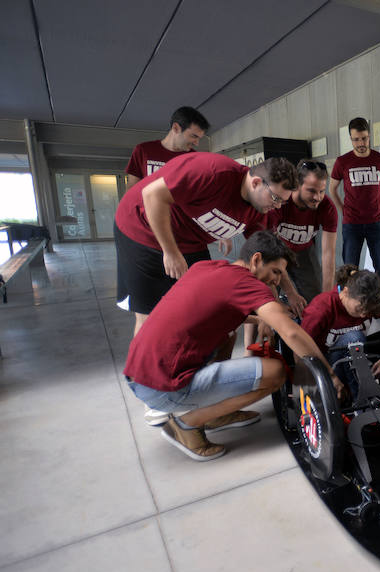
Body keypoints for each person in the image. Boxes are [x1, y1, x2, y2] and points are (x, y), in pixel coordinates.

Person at [123, 231, 342, 461]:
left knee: (227, 335)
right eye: (275, 272)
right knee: (276, 373)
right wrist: (329, 375)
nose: (277, 281)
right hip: (164, 388)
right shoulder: (248, 284)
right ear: (256, 260)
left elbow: (212, 310)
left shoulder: (207, 267)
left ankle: (216, 414)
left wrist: (261, 319)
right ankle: (185, 426)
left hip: (140, 374)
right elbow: (291, 332)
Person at [115, 152, 298, 425]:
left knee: (217, 314)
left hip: (188, 242)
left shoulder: (258, 208)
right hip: (143, 230)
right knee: (149, 312)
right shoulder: (212, 172)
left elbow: (268, 255)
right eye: (276, 199)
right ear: (257, 182)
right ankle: (155, 394)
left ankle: (210, 396)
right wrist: (170, 251)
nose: (278, 206)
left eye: (283, 201)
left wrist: (287, 295)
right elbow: (152, 194)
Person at [241, 160, 339, 351]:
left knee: (316, 300)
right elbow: (271, 256)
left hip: (303, 252)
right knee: (261, 297)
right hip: (271, 253)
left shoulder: (327, 207)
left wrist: (326, 298)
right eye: (311, 190)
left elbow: (328, 254)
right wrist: (291, 293)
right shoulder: (278, 204)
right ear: (297, 186)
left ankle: (309, 345)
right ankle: (250, 348)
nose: (317, 197)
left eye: (321, 191)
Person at [300, 265, 380, 398]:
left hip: (359, 361)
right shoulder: (321, 308)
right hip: (326, 365)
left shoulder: (371, 300)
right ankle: (363, 401)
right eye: (359, 309)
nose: (364, 315)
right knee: (354, 337)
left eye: (368, 309)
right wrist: (328, 378)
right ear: (345, 292)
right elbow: (299, 347)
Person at [329, 117, 380, 289]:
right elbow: (332, 188)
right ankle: (348, 305)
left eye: (364, 138)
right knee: (349, 269)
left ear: (369, 136)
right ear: (351, 139)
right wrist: (343, 210)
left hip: (376, 223)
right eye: (356, 139)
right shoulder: (342, 162)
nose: (360, 143)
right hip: (352, 224)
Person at [125, 106, 209, 190]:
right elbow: (132, 189)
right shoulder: (143, 150)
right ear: (176, 128)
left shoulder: (194, 159)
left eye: (199, 138)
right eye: (194, 136)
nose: (197, 143)